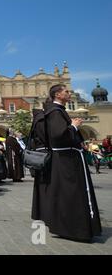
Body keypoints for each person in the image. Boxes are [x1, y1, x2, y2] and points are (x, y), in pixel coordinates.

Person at [32, 84, 102, 242]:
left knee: (66, 193)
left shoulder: (57, 110)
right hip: (66, 160)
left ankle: (67, 226)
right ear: (57, 94)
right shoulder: (56, 112)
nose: (69, 93)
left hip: (67, 157)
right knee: (71, 193)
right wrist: (74, 126)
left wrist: (78, 138)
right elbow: (58, 136)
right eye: (66, 91)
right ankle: (74, 228)